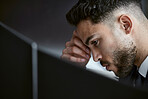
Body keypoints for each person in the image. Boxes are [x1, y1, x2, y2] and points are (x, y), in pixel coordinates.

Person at [61, 0, 148, 88]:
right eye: (88, 47)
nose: (95, 58)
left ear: (126, 25)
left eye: (95, 42)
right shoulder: (131, 76)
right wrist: (74, 74)